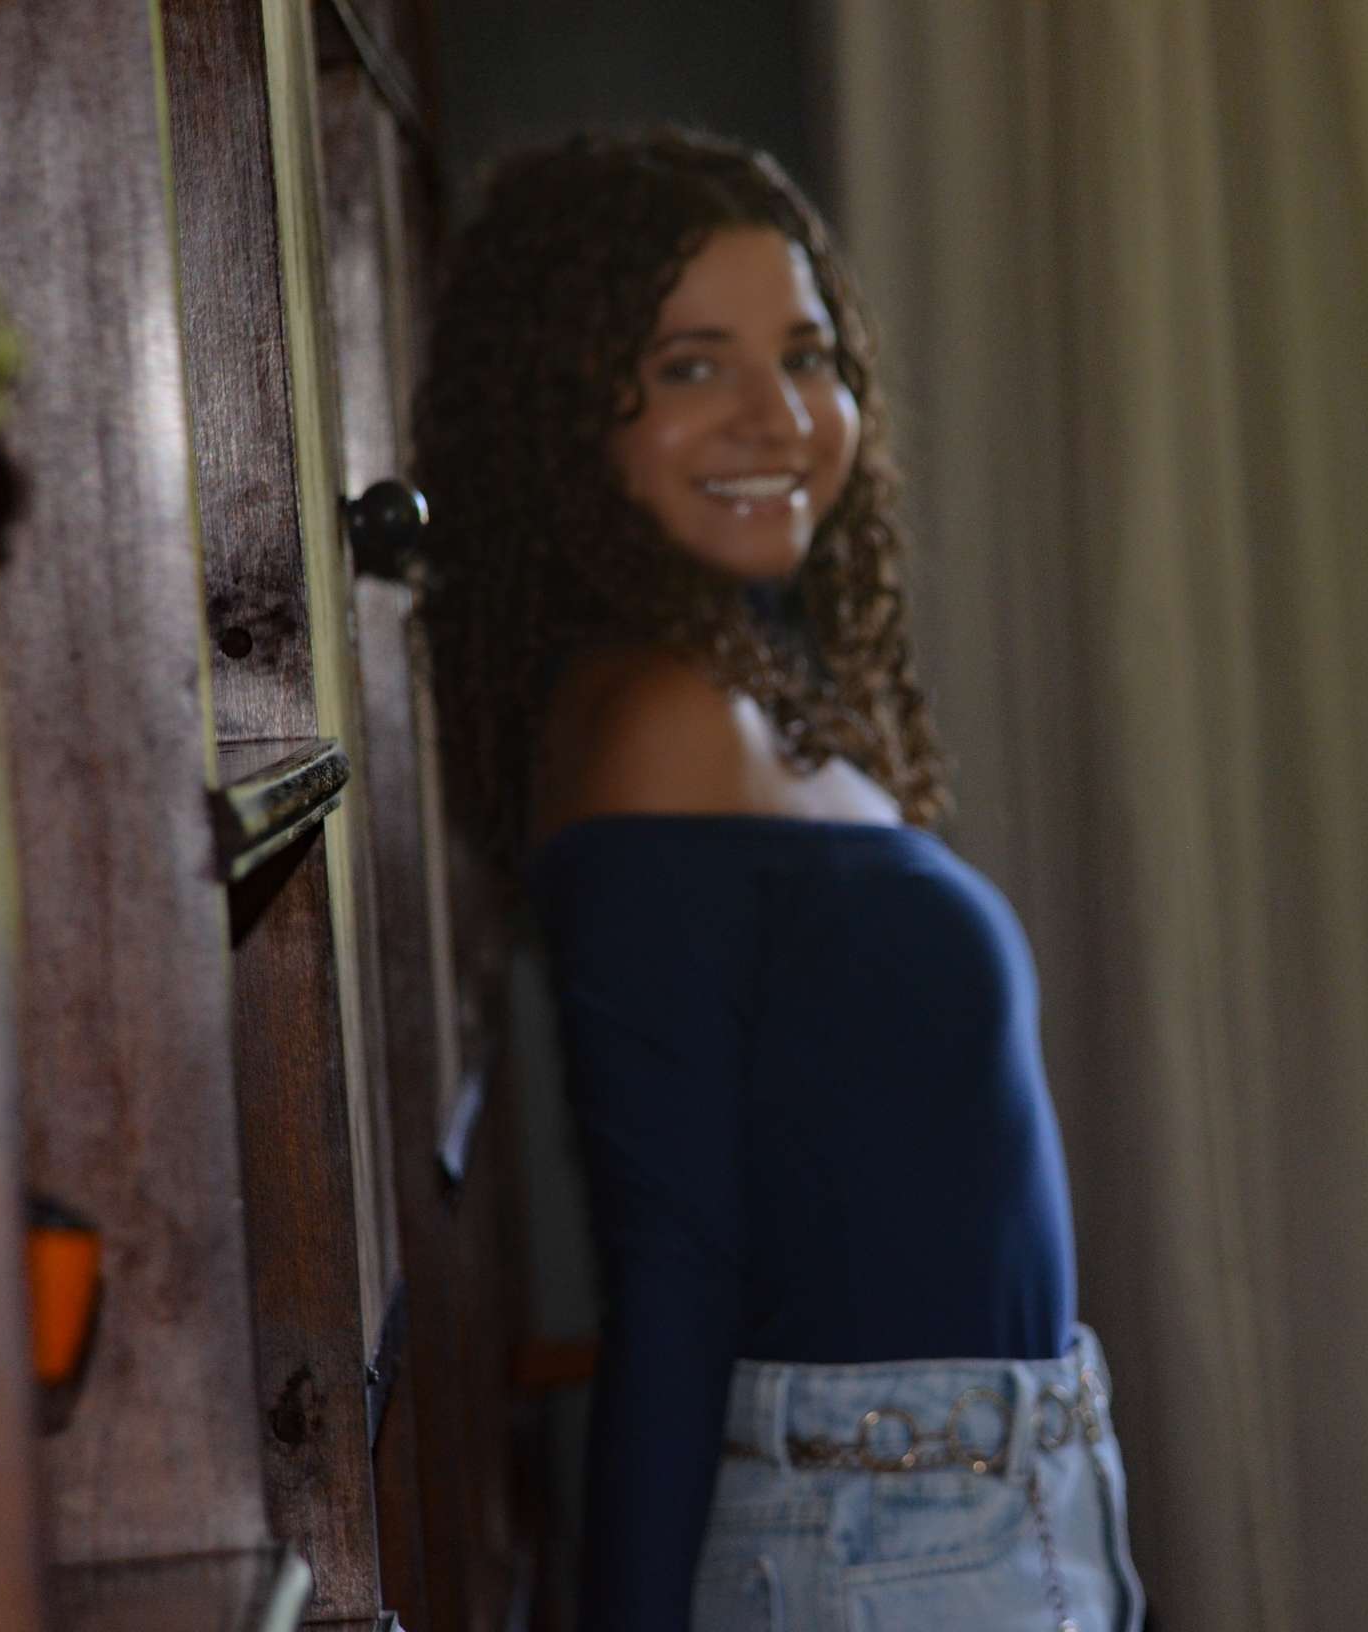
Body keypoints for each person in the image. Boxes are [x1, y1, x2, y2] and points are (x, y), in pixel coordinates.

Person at [416, 126, 1145, 1631]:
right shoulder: (658, 722)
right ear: (565, 414)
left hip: (1000, 1506)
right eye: (691, 366)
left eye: (806, 357)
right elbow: (671, 1267)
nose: (780, 416)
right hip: (880, 1540)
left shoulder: (739, 695)